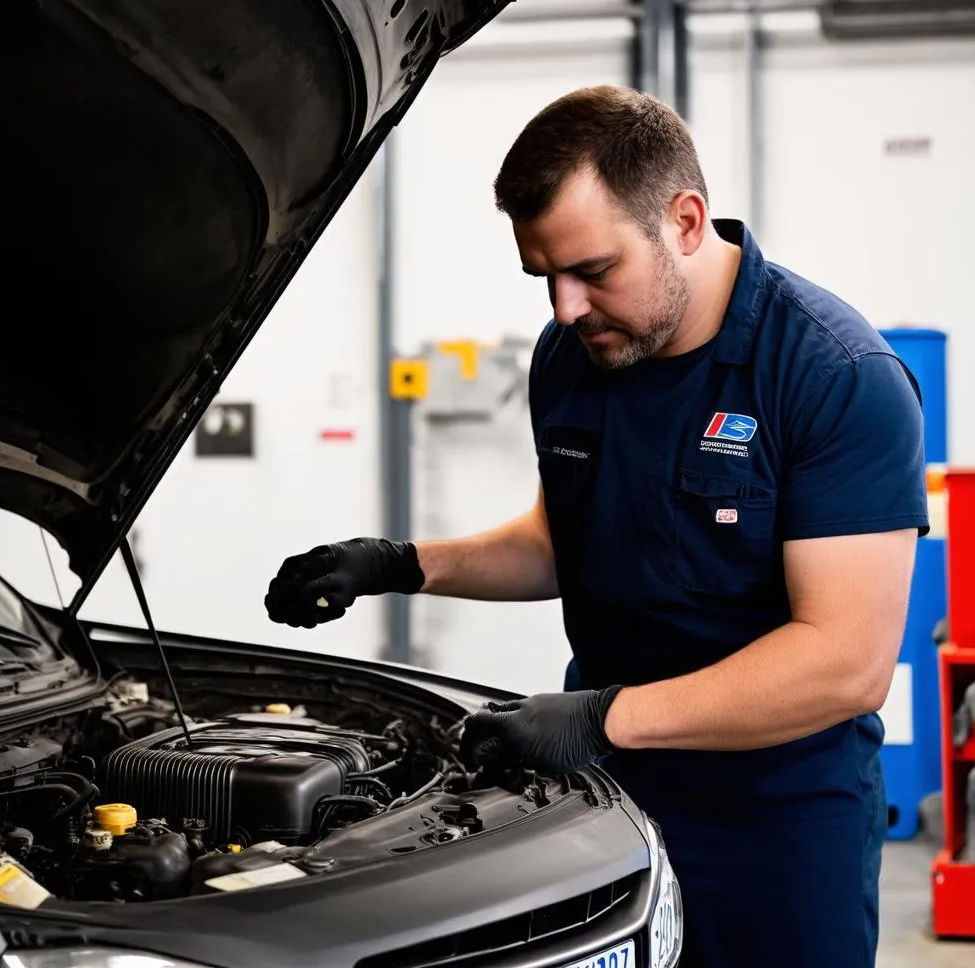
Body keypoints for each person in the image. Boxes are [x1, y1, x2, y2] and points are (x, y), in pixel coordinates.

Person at [264, 85, 928, 966]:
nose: (564, 309)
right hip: (605, 801)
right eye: (545, 277)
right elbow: (565, 538)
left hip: (777, 828)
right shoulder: (576, 357)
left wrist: (601, 717)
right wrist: (399, 563)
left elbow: (845, 663)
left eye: (593, 271)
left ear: (685, 222)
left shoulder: (834, 375)